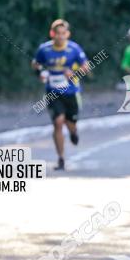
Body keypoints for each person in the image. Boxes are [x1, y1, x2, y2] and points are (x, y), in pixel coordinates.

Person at [32, 19, 90, 170]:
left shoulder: (74, 49)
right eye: (57, 33)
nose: (60, 36)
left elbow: (86, 67)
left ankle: (73, 132)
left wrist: (74, 73)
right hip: (52, 92)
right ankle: (61, 158)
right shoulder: (44, 50)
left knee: (70, 123)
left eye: (63, 33)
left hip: (71, 92)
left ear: (67, 34)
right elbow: (36, 63)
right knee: (58, 122)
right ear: (52, 34)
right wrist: (41, 73)